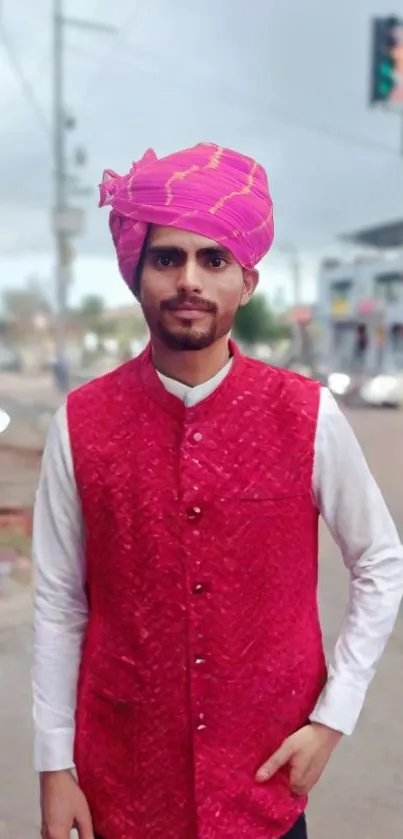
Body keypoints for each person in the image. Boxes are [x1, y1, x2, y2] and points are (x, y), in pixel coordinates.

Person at [32, 143, 403, 839]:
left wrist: (330, 718)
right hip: (121, 789)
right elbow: (57, 599)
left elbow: (380, 561)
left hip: (262, 791)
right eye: (167, 258)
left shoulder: (306, 414)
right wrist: (54, 766)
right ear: (137, 274)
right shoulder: (80, 423)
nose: (189, 280)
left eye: (214, 259)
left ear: (247, 280)